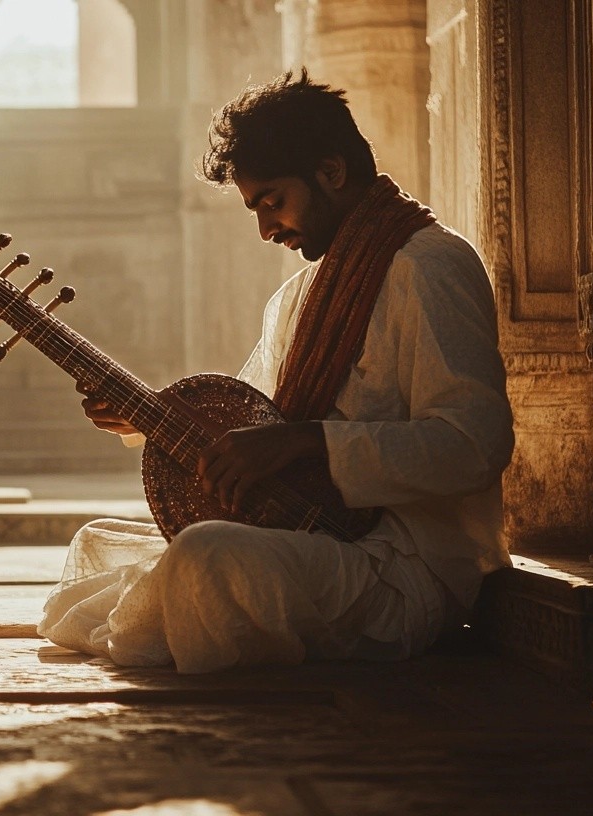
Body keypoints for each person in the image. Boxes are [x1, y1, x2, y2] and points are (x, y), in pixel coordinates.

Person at [38, 70, 514, 673]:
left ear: (331, 172)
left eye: (273, 203)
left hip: (404, 563)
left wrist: (305, 440)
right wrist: (146, 418)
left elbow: (474, 445)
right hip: (314, 538)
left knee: (207, 556)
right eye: (256, 210)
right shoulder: (296, 296)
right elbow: (249, 424)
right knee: (97, 543)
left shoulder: (432, 266)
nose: (266, 230)